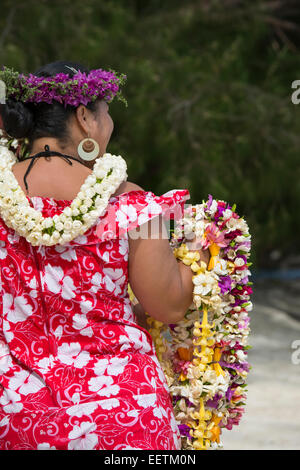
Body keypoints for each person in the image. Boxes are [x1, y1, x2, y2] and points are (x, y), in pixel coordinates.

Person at [0, 61, 209, 450]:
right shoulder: (134, 204)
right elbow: (166, 304)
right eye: (106, 110)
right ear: (84, 117)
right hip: (122, 414)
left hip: (15, 413)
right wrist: (203, 258)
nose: (109, 122)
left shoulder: (3, 196)